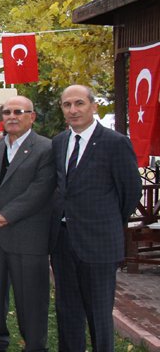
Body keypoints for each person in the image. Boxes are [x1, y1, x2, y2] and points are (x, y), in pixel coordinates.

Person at [49, 85, 141, 352]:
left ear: (94, 106)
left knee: (99, 314)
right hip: (63, 243)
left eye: (79, 103)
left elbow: (130, 192)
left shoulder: (115, 143)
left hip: (99, 244)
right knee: (67, 311)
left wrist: (105, 221)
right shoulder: (59, 142)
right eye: (67, 105)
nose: (73, 110)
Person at [0, 95, 55, 352]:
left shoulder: (46, 148)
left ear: (32, 116)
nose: (12, 116)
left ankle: (34, 345)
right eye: (7, 112)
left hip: (26, 237)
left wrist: (6, 215)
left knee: (30, 298)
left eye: (19, 111)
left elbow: (41, 189)